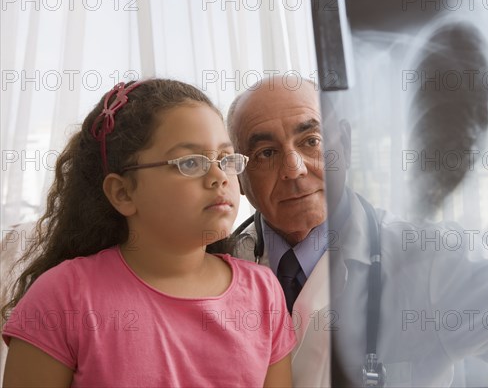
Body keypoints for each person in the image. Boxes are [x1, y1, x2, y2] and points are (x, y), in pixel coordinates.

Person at [226, 75, 488, 387]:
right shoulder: (213, 263)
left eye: (311, 141)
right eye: (266, 153)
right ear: (238, 174)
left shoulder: (429, 259)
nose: (294, 168)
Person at [1, 79, 296, 387]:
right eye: (190, 162)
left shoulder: (264, 292)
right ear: (123, 193)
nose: (219, 176)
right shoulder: (62, 297)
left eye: (226, 158)